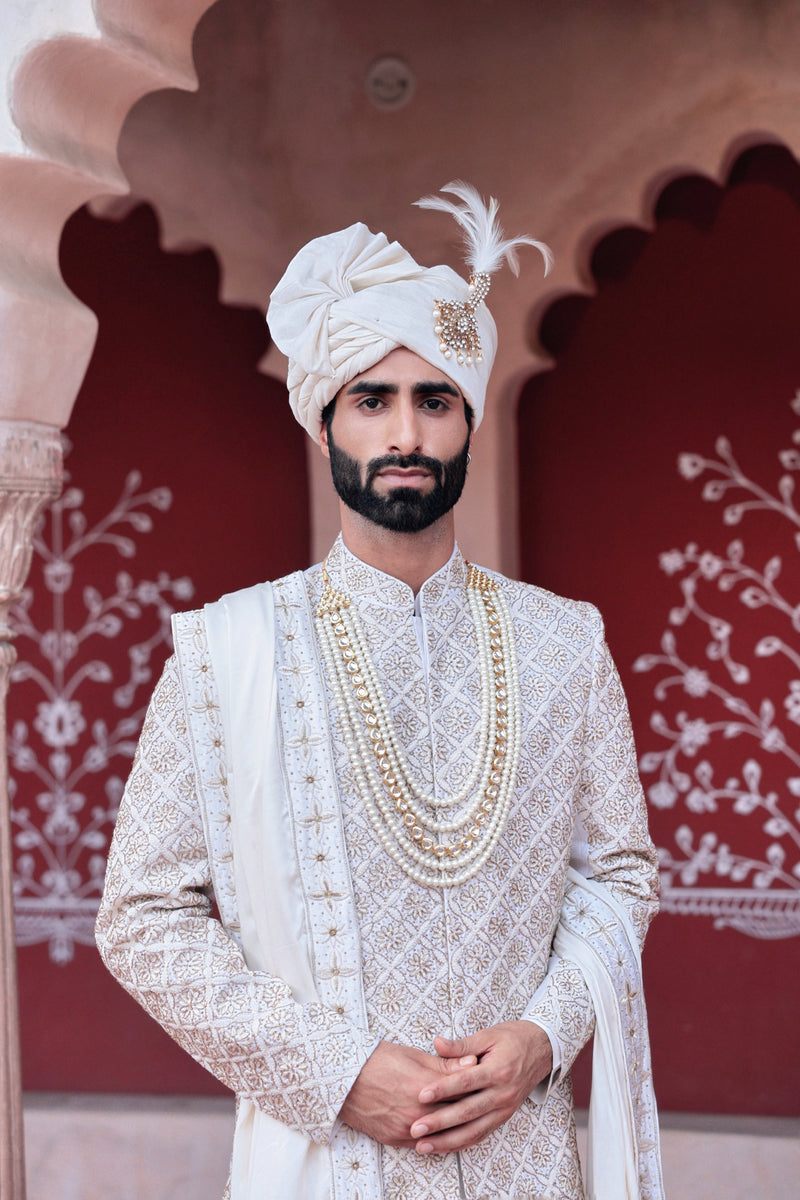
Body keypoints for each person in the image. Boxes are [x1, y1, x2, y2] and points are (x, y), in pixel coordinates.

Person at [96, 183, 663, 1200]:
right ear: (325, 428)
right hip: (324, 1158)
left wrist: (544, 1034)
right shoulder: (229, 654)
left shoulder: (564, 643)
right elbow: (141, 914)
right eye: (371, 399)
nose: (404, 431)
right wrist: (335, 1072)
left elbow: (618, 873)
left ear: (468, 423)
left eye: (433, 399)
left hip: (523, 1160)